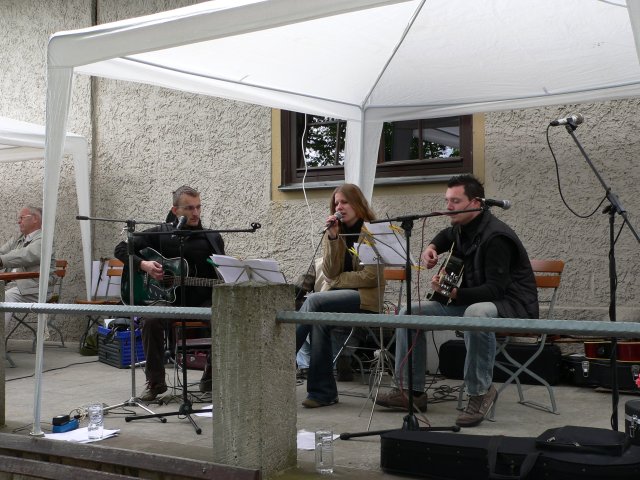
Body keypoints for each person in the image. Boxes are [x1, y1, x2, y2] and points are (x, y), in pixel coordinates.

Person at [376, 174, 538, 427]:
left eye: (455, 201)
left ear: (476, 203)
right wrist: (431, 248)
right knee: (409, 312)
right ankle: (410, 391)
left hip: (510, 305)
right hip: (473, 301)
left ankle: (480, 391)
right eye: (447, 200)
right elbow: (446, 235)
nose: (448, 207)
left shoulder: (497, 237)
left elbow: (495, 291)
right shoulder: (463, 227)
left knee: (476, 314)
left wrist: (454, 294)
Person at [115, 185, 225, 401]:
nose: (195, 213)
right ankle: (155, 383)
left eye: (198, 207)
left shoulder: (212, 237)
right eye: (189, 208)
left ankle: (211, 377)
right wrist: (144, 265)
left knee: (223, 316)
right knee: (150, 319)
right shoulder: (161, 233)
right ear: (175, 210)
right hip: (167, 300)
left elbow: (221, 271)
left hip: (202, 301)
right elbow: (120, 249)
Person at [295, 184, 384, 408]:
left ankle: (280, 356)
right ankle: (322, 393)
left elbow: (371, 276)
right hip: (337, 298)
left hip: (365, 300)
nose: (339, 207)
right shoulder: (334, 232)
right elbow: (329, 272)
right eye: (336, 203)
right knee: (318, 322)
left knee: (313, 301)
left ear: (357, 204)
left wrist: (337, 281)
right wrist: (333, 239)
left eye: (344, 202)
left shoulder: (371, 232)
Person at [0, 206, 56, 332]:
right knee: (6, 295)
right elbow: (2, 252)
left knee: (6, 297)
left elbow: (26, 255)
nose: (18, 221)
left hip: (36, 288)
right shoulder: (18, 238)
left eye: (22, 218)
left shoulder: (44, 239)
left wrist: (2, 261)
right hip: (14, 285)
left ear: (35, 219)